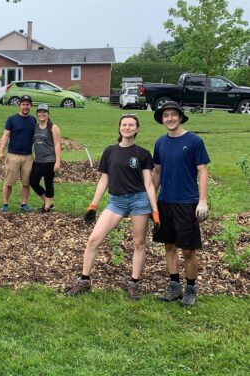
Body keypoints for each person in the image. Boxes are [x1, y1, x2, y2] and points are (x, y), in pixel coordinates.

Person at [66, 114, 159, 300]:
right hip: (116, 202)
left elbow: (148, 184)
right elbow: (103, 180)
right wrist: (93, 205)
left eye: (131, 125)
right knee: (93, 240)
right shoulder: (110, 151)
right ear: (119, 128)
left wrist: (155, 211)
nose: (127, 127)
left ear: (137, 129)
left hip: (139, 201)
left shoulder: (143, 154)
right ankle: (84, 280)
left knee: (139, 243)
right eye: (124, 124)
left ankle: (134, 283)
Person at [152, 101, 210, 307]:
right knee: (169, 246)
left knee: (188, 250)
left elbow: (202, 171)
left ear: (180, 117)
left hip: (187, 202)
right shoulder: (160, 143)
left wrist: (202, 201)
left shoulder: (194, 141)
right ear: (162, 119)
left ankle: (191, 289)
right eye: (166, 115)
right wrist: (151, 200)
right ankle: (174, 286)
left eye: (173, 115)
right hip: (165, 202)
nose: (169, 118)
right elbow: (157, 172)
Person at [0, 95, 36, 213]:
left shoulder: (33, 120)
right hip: (13, 155)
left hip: (28, 156)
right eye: (23, 104)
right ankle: (5, 204)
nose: (25, 107)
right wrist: (1, 150)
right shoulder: (12, 119)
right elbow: (5, 135)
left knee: (26, 182)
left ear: (30, 106)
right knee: (8, 182)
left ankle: (24, 204)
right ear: (19, 105)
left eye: (27, 104)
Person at [29, 104, 61, 212]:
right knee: (33, 182)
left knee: (48, 183)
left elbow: (57, 144)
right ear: (37, 113)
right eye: (40, 112)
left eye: (44, 112)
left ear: (48, 114)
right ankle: (48, 202)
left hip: (49, 160)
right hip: (38, 160)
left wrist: (57, 162)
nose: (42, 114)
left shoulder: (53, 127)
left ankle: (46, 207)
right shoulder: (35, 127)